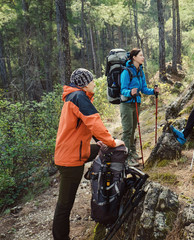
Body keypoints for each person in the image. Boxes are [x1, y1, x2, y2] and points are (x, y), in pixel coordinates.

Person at [53, 68, 125, 240]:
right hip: (70, 160)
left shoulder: (75, 96)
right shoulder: (79, 97)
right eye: (92, 81)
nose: (94, 84)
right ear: (85, 84)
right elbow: (94, 122)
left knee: (103, 149)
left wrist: (100, 142)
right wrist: (112, 142)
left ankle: (105, 186)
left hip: (74, 152)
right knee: (64, 205)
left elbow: (86, 123)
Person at [120, 48, 160, 166]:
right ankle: (125, 157)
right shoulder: (126, 72)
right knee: (127, 131)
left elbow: (143, 89)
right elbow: (123, 90)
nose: (143, 57)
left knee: (133, 130)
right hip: (126, 104)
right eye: (141, 55)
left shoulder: (140, 71)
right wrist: (130, 92)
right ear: (134, 57)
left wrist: (153, 91)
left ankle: (132, 153)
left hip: (136, 104)